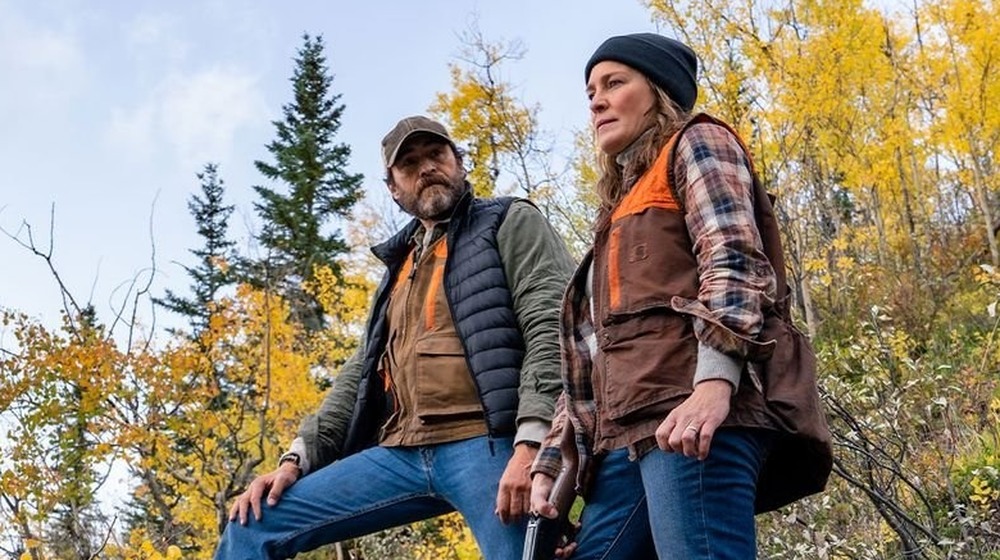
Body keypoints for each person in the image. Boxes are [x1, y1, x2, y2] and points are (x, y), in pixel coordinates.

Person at [215, 115, 649, 560]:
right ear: (393, 187)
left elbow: (552, 327)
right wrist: (295, 459)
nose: (426, 168)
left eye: (436, 154)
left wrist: (530, 445)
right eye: (409, 164)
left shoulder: (508, 221)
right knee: (253, 523)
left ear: (459, 162)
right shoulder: (398, 266)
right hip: (399, 452)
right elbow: (361, 372)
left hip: (489, 444)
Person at [529, 33, 832, 559]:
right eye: (590, 91)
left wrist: (714, 384)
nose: (597, 100)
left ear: (659, 90)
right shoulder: (621, 206)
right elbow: (593, 352)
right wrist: (555, 460)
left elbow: (733, 257)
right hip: (632, 435)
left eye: (614, 83)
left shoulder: (698, 142)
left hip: (694, 417)